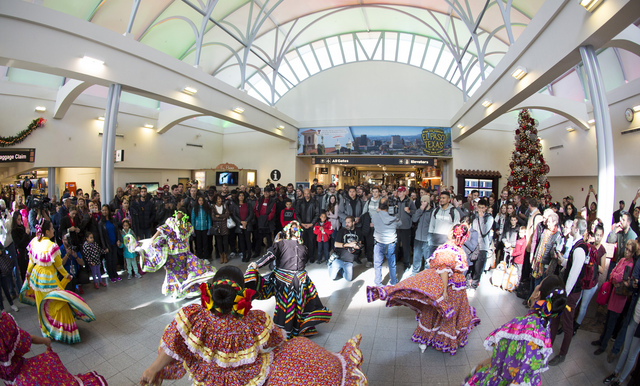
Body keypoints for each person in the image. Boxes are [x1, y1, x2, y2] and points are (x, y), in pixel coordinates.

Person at [141, 266, 366, 385]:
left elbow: (173, 344)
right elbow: (278, 341)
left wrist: (152, 369)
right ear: (241, 293)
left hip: (210, 379)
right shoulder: (254, 321)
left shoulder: (195, 318)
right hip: (249, 379)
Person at [367, 223, 480, 355]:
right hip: (455, 288)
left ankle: (426, 339)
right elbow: (445, 269)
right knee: (445, 312)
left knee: (433, 311)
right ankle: (438, 338)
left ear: (451, 233)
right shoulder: (455, 250)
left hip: (448, 287)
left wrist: (443, 291)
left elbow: (444, 271)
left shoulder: (446, 249)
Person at [464, 275, 569, 386]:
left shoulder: (523, 327)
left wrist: (485, 364)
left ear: (537, 294)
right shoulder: (544, 325)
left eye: (539, 284)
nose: (537, 285)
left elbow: (518, 373)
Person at [245, 221, 332, 338]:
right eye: (293, 229)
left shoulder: (303, 247)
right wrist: (257, 264)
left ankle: (298, 329)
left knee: (299, 306)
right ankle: (283, 332)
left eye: (297, 229)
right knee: (284, 307)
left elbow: (303, 262)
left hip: (300, 281)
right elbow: (270, 255)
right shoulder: (281, 244)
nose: (295, 231)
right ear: (288, 232)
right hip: (284, 281)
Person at [21, 220, 96, 344]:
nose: (53, 230)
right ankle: (61, 331)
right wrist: (67, 275)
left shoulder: (34, 241)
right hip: (48, 278)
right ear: (47, 231)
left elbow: (31, 262)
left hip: (36, 277)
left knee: (41, 304)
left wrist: (28, 275)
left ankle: (45, 329)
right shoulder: (52, 246)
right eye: (51, 228)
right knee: (58, 303)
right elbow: (59, 266)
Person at [0, 311, 106, 385]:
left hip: (11, 377)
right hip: (21, 374)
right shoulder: (3, 324)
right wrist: (45, 341)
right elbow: (25, 340)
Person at [130, 208, 216, 299]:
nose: (179, 215)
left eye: (181, 213)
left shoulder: (186, 226)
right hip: (172, 254)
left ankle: (184, 290)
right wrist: (152, 239)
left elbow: (185, 239)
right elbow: (162, 229)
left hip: (183, 253)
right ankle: (176, 291)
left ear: (184, 215)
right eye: (178, 213)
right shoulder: (171, 222)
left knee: (184, 272)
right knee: (173, 273)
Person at [548, 218, 589, 365]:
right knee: (555, 318)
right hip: (566, 291)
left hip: (570, 293)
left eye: (573, 226)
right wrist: (564, 261)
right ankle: (548, 345)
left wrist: (564, 294)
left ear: (577, 229)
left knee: (567, 324)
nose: (570, 227)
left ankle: (562, 354)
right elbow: (572, 265)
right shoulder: (577, 246)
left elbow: (574, 275)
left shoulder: (580, 249)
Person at [371, 198, 403, 287]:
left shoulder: (374, 216)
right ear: (388, 206)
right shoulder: (394, 217)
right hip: (391, 242)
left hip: (379, 242)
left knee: (377, 264)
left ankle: (378, 282)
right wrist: (396, 214)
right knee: (392, 264)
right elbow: (400, 224)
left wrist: (378, 212)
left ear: (379, 206)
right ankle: (393, 281)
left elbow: (373, 223)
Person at [328, 216, 362, 282]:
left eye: (348, 222)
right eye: (346, 222)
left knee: (349, 279)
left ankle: (341, 270)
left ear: (353, 222)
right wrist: (349, 245)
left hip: (349, 261)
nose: (346, 224)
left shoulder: (358, 232)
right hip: (339, 259)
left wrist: (357, 246)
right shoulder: (342, 231)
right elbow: (336, 244)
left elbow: (360, 244)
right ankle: (330, 264)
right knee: (332, 277)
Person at [97, 204, 120, 283]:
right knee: (109, 260)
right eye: (103, 210)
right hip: (107, 244)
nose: (104, 212)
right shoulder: (100, 223)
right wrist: (104, 247)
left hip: (114, 242)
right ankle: (111, 275)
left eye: (106, 210)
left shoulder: (112, 220)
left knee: (114, 259)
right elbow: (101, 236)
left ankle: (115, 273)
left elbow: (116, 230)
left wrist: (118, 240)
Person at [229, 191, 254, 262]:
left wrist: (246, 221)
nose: (241, 197)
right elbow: (234, 215)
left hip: (247, 225)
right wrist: (241, 222)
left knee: (248, 240)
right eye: (240, 195)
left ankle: (249, 254)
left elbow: (251, 214)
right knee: (241, 241)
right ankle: (243, 254)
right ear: (238, 197)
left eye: (242, 195)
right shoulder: (236, 205)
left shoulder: (248, 204)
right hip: (239, 225)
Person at [411, 194, 433, 276]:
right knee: (416, 257)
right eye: (421, 202)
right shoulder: (419, 210)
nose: (422, 203)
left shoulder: (432, 212)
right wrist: (420, 209)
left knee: (427, 259)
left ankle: (426, 275)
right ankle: (414, 273)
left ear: (428, 202)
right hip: (418, 238)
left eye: (424, 201)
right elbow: (414, 219)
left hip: (426, 239)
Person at [190, 195, 211, 263]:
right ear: (197, 201)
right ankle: (200, 257)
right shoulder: (195, 208)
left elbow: (209, 219)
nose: (201, 202)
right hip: (197, 228)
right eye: (199, 200)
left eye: (202, 200)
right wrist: (192, 229)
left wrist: (209, 228)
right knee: (198, 243)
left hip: (205, 228)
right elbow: (192, 219)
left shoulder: (206, 208)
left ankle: (206, 257)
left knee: (205, 243)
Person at [211, 194, 230, 264]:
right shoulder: (213, 207)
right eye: (218, 199)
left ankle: (225, 255)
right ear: (216, 200)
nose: (219, 200)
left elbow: (227, 214)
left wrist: (219, 216)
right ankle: (221, 255)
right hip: (217, 227)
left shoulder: (224, 205)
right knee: (219, 242)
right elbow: (213, 217)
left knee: (225, 242)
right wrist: (222, 218)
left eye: (220, 199)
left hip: (224, 226)